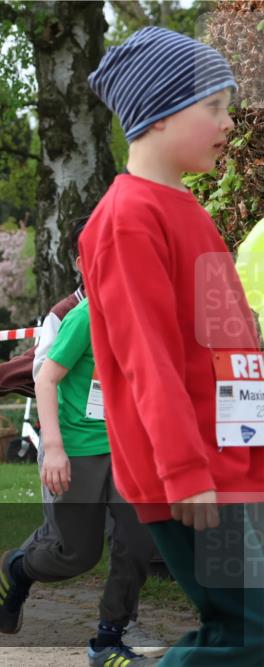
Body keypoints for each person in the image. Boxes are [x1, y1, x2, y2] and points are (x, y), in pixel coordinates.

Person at [83, 27, 263, 664]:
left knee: (241, 628)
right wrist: (184, 474)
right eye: (212, 106)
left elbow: (228, 340)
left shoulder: (186, 207)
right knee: (252, 635)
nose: (228, 121)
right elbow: (146, 361)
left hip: (233, 463)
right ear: (157, 115)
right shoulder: (127, 220)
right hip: (190, 478)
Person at [0, 254, 154, 666]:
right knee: (76, 554)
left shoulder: (153, 313)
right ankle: (19, 569)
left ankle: (107, 640)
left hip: (130, 449)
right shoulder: (87, 314)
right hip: (80, 447)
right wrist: (55, 448)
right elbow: (45, 378)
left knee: (137, 543)